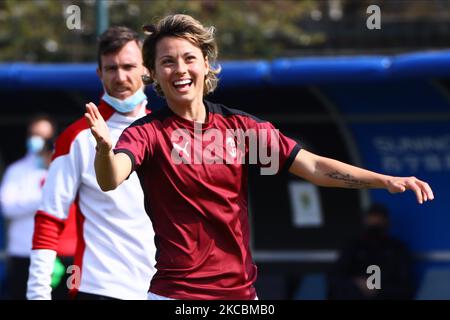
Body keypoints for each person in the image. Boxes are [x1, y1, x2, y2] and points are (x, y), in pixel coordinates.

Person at [85, 14, 434, 300]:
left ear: (206, 64)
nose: (180, 69)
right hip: (176, 295)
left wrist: (384, 179)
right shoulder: (147, 132)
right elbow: (111, 176)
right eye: (167, 62)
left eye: (189, 58)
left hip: (241, 298)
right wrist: (104, 148)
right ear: (155, 73)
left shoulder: (240, 127)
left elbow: (312, 166)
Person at [27, 26, 156, 300]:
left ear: (146, 69)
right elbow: (49, 218)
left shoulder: (167, 131)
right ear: (99, 74)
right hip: (99, 289)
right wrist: (37, 294)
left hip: (162, 290)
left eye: (129, 66)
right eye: (111, 68)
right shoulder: (76, 137)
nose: (121, 77)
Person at [0, 115, 56, 299]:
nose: (38, 140)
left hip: (55, 254)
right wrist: (43, 198)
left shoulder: (61, 168)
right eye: (34, 134)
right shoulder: (16, 170)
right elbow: (7, 207)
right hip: (23, 251)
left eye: (44, 136)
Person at [328, 203, 416, 300]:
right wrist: (358, 283)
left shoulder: (396, 249)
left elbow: (404, 285)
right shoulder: (353, 247)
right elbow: (337, 276)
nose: (374, 230)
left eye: (378, 224)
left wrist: (377, 288)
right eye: (372, 224)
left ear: (386, 223)